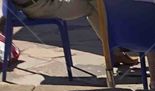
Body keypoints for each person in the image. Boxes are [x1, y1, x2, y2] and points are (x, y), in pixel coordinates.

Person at [8, 0, 137, 65]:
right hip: (40, 7)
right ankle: (122, 41)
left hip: (41, 4)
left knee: (95, 5)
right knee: (94, 4)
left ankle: (115, 50)